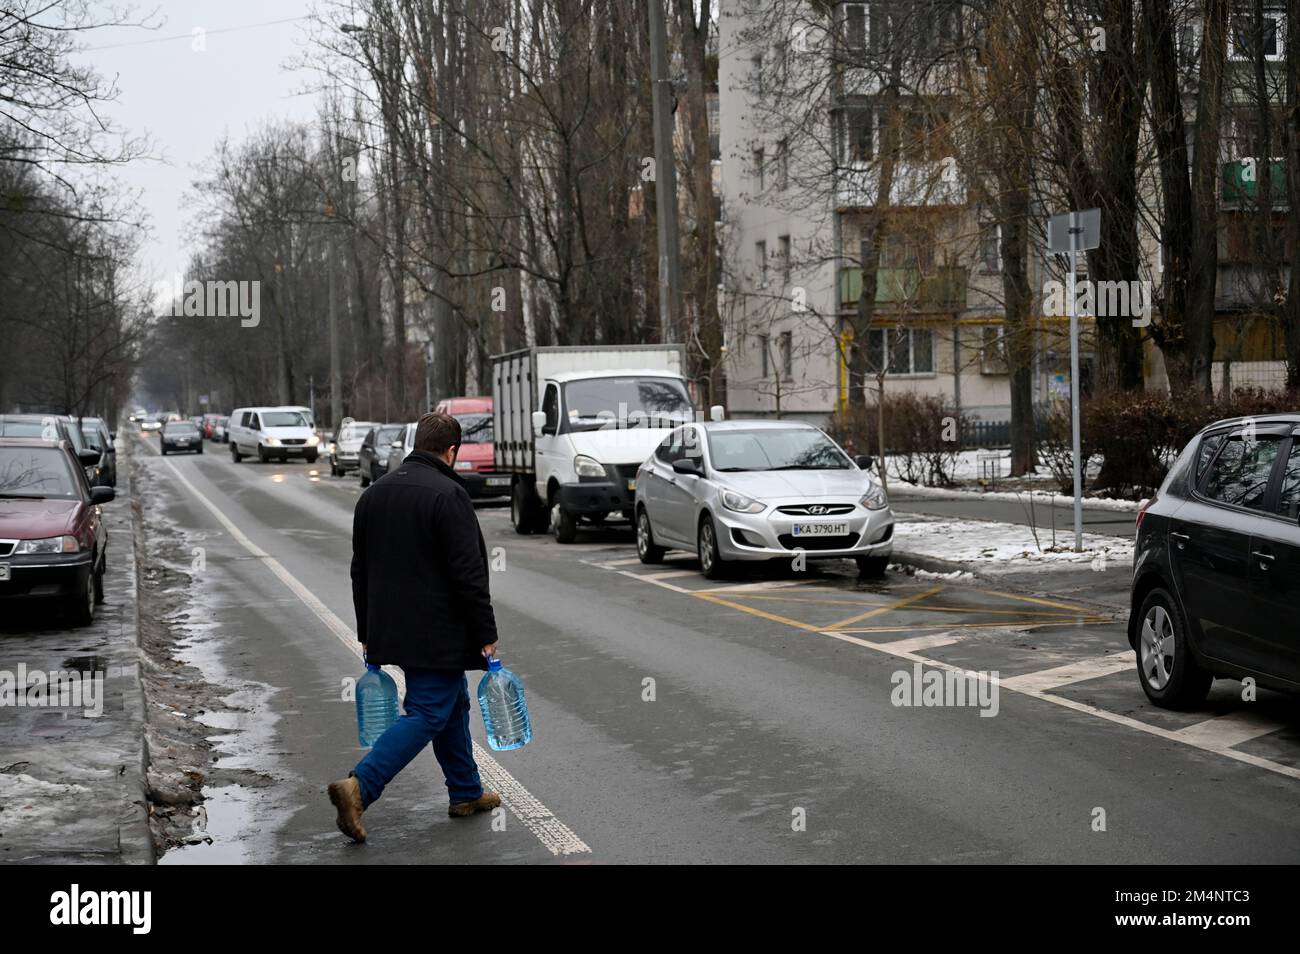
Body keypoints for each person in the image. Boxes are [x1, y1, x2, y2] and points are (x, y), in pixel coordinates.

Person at [328, 412, 501, 843]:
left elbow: (359, 570)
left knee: (452, 703)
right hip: (437, 631)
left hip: (390, 627)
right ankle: (360, 786)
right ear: (451, 451)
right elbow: (468, 573)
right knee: (427, 710)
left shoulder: (374, 495)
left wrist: (365, 627)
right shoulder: (449, 495)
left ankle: (465, 792)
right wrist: (485, 631)